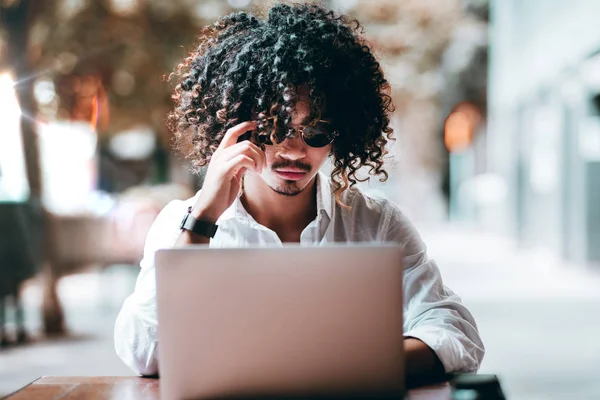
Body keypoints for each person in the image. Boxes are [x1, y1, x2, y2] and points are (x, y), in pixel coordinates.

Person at [114, 2, 484, 384]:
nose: (293, 150)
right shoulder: (183, 222)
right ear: (235, 128)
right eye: (274, 128)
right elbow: (142, 351)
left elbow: (457, 335)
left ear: (342, 133)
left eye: (316, 131)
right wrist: (202, 221)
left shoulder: (376, 223)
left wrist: (343, 370)